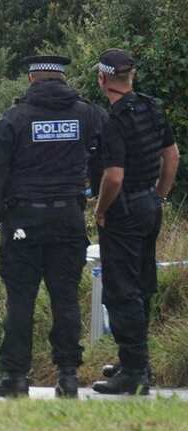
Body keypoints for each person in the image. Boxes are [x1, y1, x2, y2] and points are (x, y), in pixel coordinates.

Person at [0, 55, 105, 398]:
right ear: (62, 79)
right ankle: (67, 376)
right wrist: (93, 191)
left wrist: (1, 215)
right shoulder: (87, 114)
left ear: (32, 79)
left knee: (20, 299)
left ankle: (16, 377)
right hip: (68, 218)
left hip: (24, 221)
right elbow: (108, 155)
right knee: (65, 298)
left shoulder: (15, 117)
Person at [90, 48, 179, 395]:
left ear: (102, 78)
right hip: (150, 205)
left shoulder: (113, 120)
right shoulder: (152, 107)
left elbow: (113, 177)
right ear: (131, 77)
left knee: (121, 290)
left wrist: (100, 209)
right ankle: (133, 361)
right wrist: (160, 194)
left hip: (123, 212)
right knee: (141, 285)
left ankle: (135, 372)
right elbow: (171, 156)